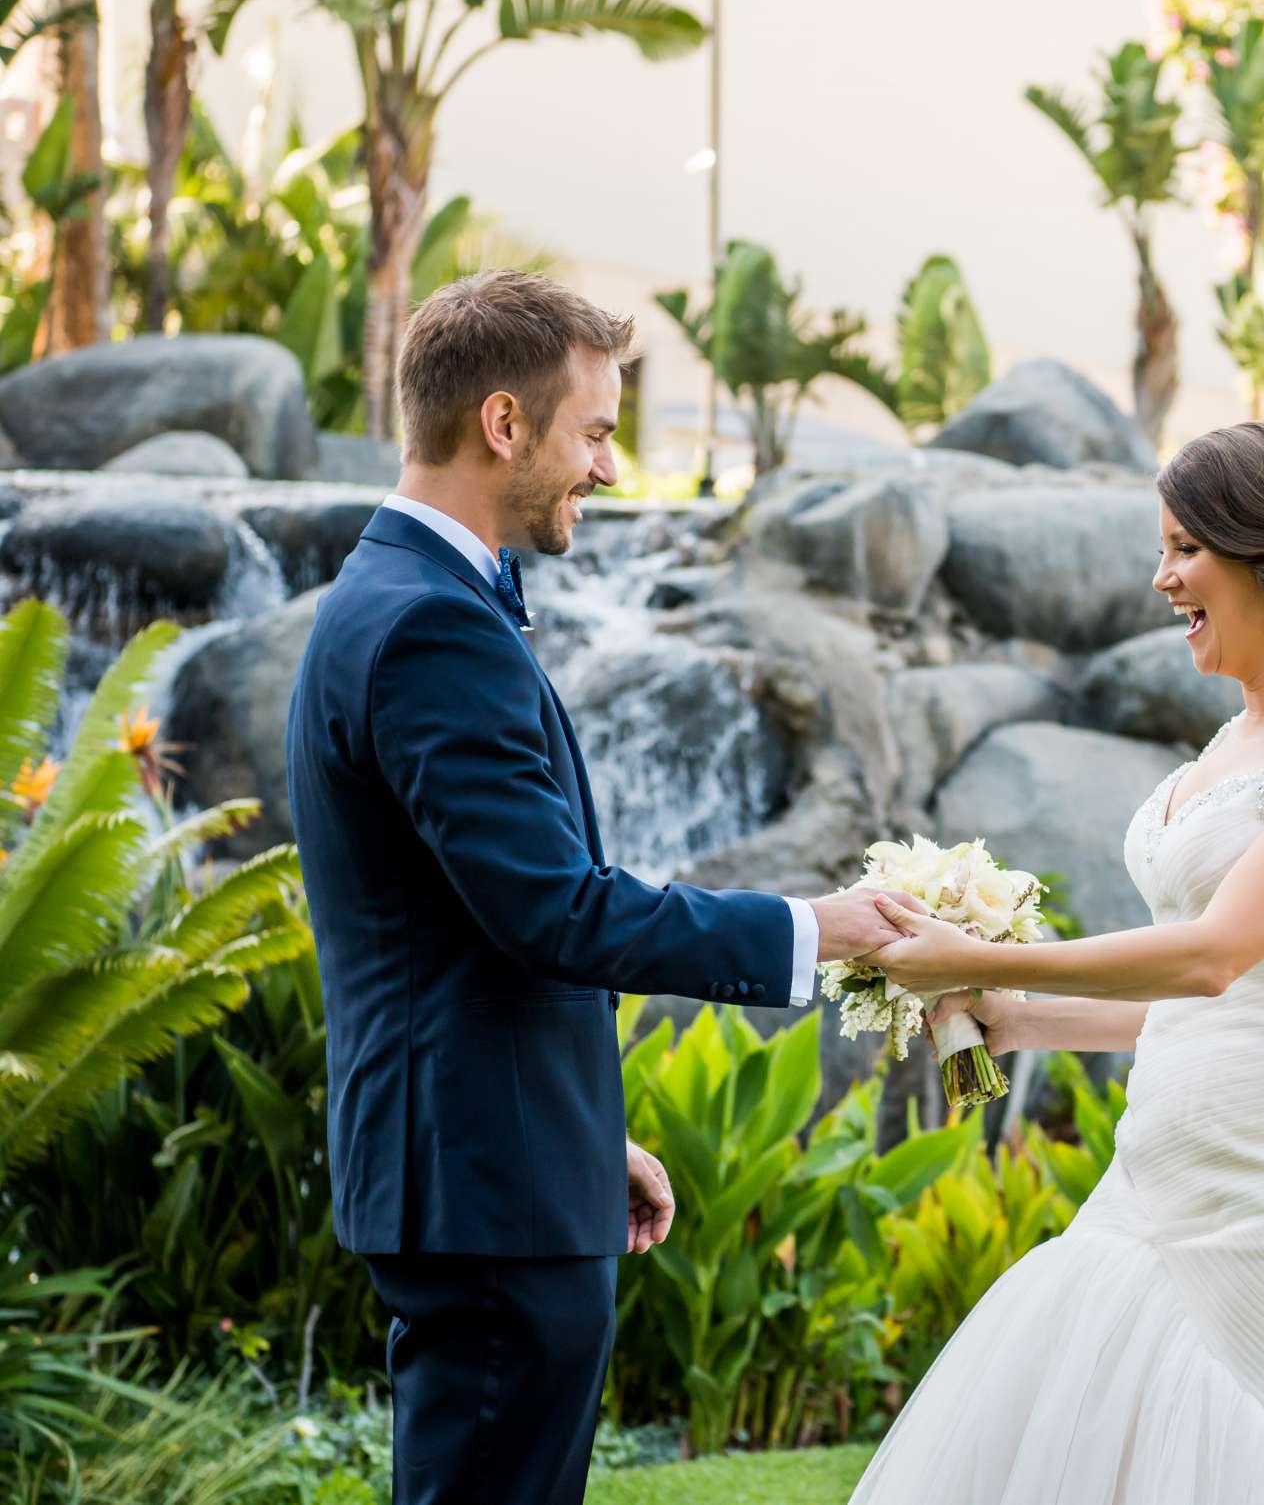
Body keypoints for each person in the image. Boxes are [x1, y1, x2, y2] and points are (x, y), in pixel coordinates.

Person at [283, 270, 916, 1505]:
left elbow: (461, 931)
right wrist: (817, 931)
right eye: (597, 433)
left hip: (499, 1168)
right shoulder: (430, 626)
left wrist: (577, 1135)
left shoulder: (403, 595)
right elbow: (554, 910)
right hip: (484, 1199)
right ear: (505, 424)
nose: (611, 471)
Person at [850, 418, 1264, 1504]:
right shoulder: (1240, 733)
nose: (1163, 580)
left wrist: (970, 948)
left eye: (1182, 549)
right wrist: (1011, 1011)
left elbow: (1215, 959)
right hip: (1163, 1160)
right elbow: (1206, 1003)